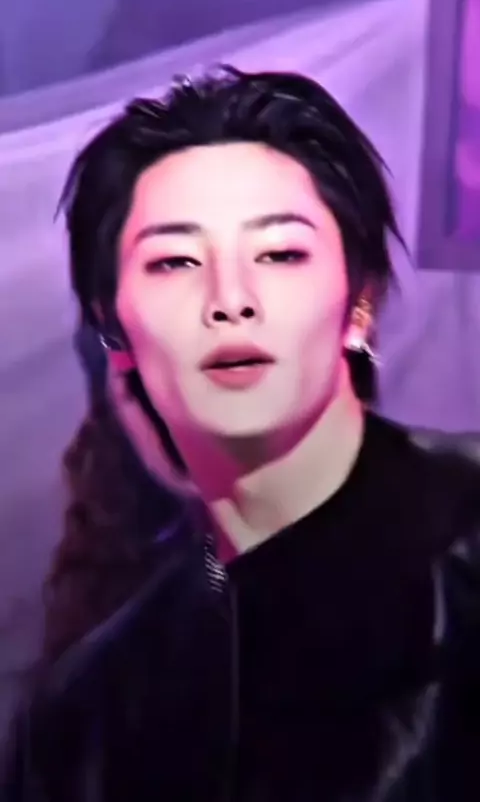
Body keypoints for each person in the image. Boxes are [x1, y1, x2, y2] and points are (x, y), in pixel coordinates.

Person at [2, 66, 480, 802]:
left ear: (359, 302)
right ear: (113, 328)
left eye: (280, 254)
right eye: (175, 261)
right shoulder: (88, 715)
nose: (230, 300)